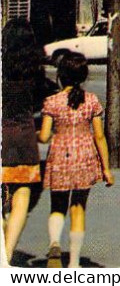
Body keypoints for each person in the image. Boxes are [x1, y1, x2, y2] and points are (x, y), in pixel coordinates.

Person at [38, 52, 114, 268]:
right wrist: (106, 169)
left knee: (57, 205)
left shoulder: (52, 102)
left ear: (60, 75)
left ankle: (54, 243)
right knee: (78, 207)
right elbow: (99, 136)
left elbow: (44, 137)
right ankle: (73, 263)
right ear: (83, 76)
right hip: (85, 156)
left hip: (60, 155)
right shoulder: (91, 101)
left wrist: (35, 135)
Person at [1, 19, 46, 265]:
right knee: (22, 195)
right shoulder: (34, 71)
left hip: (2, 136)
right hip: (25, 138)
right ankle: (6, 257)